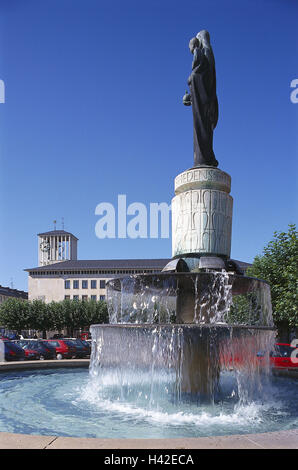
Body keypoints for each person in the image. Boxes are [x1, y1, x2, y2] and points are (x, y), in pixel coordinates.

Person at [183, 30, 218, 168]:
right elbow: (202, 81)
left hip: (204, 106)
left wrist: (191, 80)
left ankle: (204, 159)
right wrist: (191, 96)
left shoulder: (205, 56)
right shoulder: (206, 58)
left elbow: (200, 78)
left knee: (202, 132)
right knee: (201, 133)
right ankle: (205, 158)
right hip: (202, 104)